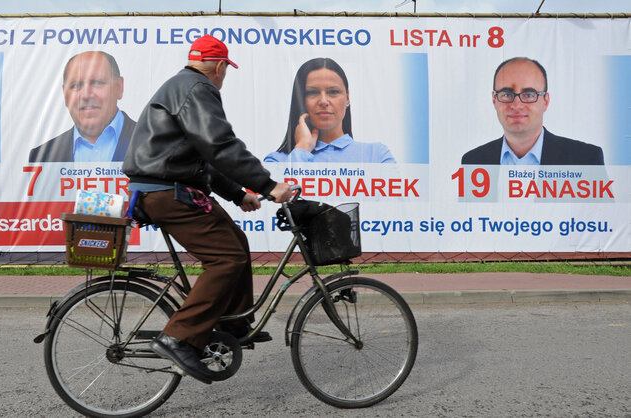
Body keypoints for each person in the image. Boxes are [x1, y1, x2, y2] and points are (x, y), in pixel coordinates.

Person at [122, 35, 292, 384]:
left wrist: (237, 193)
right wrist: (268, 185)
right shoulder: (197, 88)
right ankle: (179, 337)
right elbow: (220, 145)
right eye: (225, 71)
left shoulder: (182, 86)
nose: (224, 76)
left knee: (236, 243)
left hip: (167, 188)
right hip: (168, 192)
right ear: (219, 67)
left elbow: (200, 156)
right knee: (226, 259)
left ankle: (233, 323)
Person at [462, 57, 604, 165]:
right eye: (506, 94)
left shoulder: (586, 159)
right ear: (494, 100)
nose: (516, 105)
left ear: (546, 101)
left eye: (529, 95)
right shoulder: (473, 161)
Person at [264, 57, 395, 163]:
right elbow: (283, 194)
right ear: (301, 100)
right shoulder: (277, 161)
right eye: (313, 92)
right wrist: (302, 149)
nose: (323, 101)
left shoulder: (377, 156)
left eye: (333, 92)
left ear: (347, 97)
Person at [29, 51, 136, 162]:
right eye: (76, 85)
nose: (86, 95)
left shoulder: (152, 145)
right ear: (65, 95)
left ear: (119, 87)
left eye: (97, 82)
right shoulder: (41, 158)